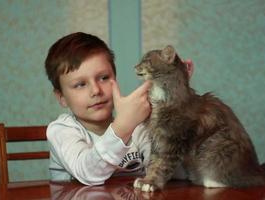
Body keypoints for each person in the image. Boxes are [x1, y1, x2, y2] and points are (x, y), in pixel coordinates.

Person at [45, 32, 193, 185]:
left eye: (103, 78)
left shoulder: (137, 129)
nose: (96, 90)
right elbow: (88, 173)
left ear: (115, 78)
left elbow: (174, 173)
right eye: (80, 84)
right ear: (61, 97)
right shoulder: (61, 131)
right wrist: (123, 127)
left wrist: (176, 96)